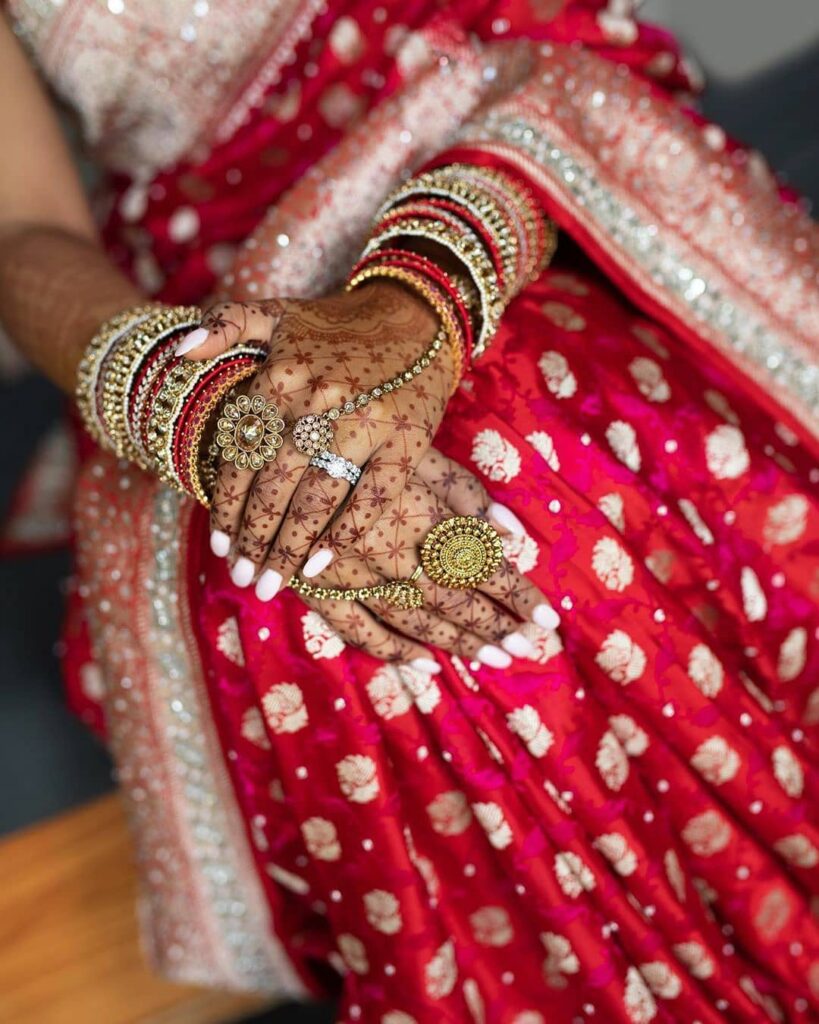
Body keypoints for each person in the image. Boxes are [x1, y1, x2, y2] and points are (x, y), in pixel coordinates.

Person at [1, 1, 817, 1020]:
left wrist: (420, 298)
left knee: (501, 477)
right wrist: (202, 408)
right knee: (304, 585)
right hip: (219, 269)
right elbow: (18, 224)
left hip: (504, 126)